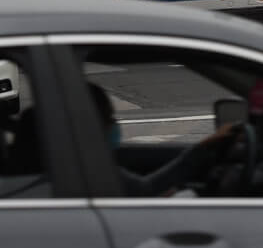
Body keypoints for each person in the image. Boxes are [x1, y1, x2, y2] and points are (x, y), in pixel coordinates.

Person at [89, 82, 236, 196]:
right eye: (109, 119)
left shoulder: (88, 161)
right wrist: (204, 146)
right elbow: (146, 190)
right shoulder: (89, 166)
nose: (115, 125)